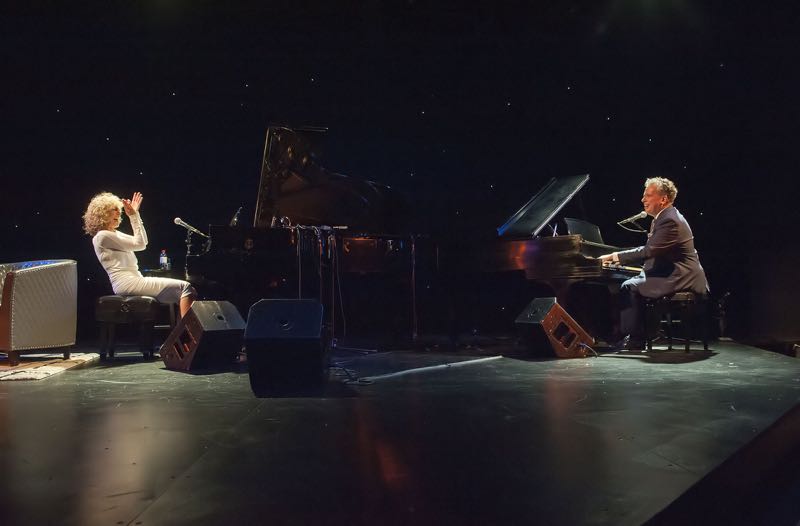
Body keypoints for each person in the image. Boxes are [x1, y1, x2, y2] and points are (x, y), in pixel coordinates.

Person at [599, 177, 709, 350]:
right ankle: (641, 333)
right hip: (672, 272)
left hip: (681, 276)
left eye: (648, 195)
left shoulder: (669, 220)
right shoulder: (665, 217)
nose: (643, 200)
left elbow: (649, 251)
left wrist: (614, 256)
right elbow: (656, 252)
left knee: (629, 286)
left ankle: (634, 339)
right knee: (635, 282)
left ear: (663, 199)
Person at [83, 191, 196, 317]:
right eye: (114, 209)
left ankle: (181, 333)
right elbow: (140, 244)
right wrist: (133, 216)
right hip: (127, 283)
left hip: (134, 280)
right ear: (102, 213)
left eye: (119, 209)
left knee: (186, 292)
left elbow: (143, 242)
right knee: (185, 287)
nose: (119, 212)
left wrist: (135, 215)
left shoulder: (114, 234)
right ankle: (187, 333)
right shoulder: (103, 236)